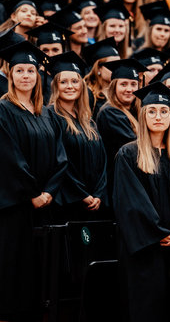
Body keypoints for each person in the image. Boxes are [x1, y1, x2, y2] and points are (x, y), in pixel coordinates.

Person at [0, 40, 68, 322]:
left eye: (30, 71)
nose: (25, 76)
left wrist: (49, 192)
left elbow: (61, 157)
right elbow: (9, 158)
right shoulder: (2, 110)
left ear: (38, 75)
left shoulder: (46, 112)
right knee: (12, 267)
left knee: (37, 269)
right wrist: (33, 193)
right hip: (15, 205)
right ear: (10, 75)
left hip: (43, 204)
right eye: (19, 70)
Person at [113, 81, 170, 322]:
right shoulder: (129, 154)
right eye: (151, 111)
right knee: (145, 308)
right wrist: (157, 233)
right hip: (144, 251)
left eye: (164, 112)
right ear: (142, 116)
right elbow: (130, 203)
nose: (158, 116)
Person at [47, 51, 108, 221]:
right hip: (67, 201)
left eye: (75, 81)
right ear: (55, 86)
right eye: (63, 82)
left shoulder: (87, 120)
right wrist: (81, 194)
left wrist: (98, 193)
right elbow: (58, 161)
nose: (70, 86)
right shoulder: (50, 116)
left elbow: (102, 161)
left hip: (94, 201)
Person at [96, 59, 147, 196]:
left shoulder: (137, 111)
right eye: (123, 84)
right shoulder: (109, 112)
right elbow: (133, 146)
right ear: (114, 87)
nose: (129, 89)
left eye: (133, 84)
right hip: (120, 182)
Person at [82, 37, 121, 118]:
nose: (116, 68)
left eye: (119, 64)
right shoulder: (88, 95)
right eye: (111, 65)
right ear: (98, 68)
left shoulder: (121, 93)